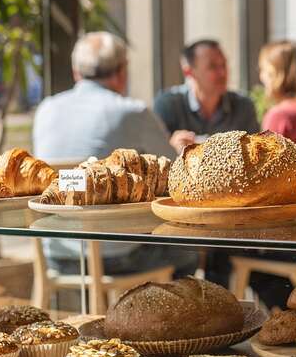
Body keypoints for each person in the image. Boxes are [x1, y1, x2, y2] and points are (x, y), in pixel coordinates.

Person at [32, 32, 198, 279]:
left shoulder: (45, 109)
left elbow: (60, 180)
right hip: (120, 255)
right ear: (122, 72)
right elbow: (175, 173)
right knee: (193, 248)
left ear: (77, 73)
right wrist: (173, 146)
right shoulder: (132, 112)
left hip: (57, 254)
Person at [154, 39, 260, 153]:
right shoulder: (167, 105)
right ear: (188, 72)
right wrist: (170, 147)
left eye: (223, 65)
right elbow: (154, 155)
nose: (222, 73)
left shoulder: (244, 106)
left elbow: (255, 154)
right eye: (212, 66)